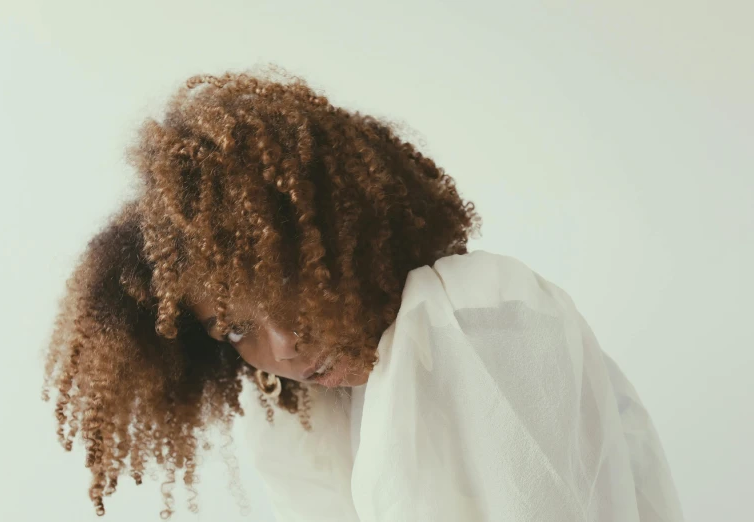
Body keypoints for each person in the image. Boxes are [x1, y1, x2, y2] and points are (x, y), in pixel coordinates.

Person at [41, 69, 683, 521]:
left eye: (289, 286)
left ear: (349, 242)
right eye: (236, 330)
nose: (286, 343)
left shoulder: (470, 312)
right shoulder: (301, 410)